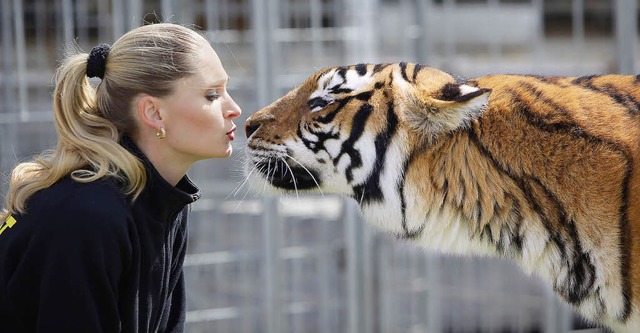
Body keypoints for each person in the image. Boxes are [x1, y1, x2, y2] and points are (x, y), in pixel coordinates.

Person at [0, 23, 241, 332]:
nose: (233, 108)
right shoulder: (87, 216)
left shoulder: (160, 200)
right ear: (154, 113)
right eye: (212, 95)